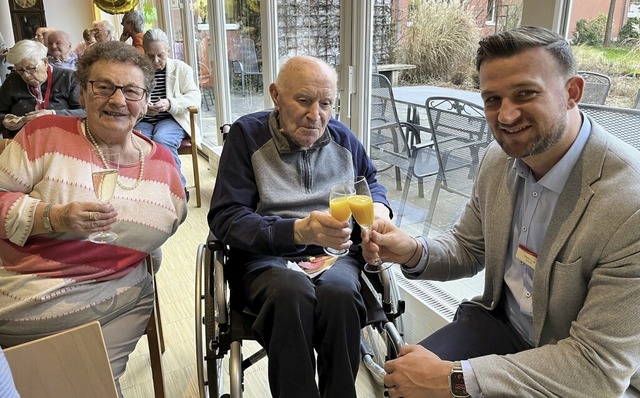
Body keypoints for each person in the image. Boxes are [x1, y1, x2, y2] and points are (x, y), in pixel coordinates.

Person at [362, 26, 640, 398]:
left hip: (568, 361)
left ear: (572, 93)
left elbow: (597, 367)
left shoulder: (629, 204)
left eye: (525, 93)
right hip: (500, 323)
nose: (506, 116)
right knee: (398, 386)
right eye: (492, 99)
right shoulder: (499, 159)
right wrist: (413, 250)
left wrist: (456, 378)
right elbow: (469, 247)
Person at [0, 40, 187, 396]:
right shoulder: (44, 135)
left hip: (109, 305)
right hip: (16, 301)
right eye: (103, 87)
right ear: (82, 94)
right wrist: (50, 217)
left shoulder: (163, 165)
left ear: (146, 101)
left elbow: (167, 224)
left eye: (132, 91)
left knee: (80, 387)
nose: (118, 100)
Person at [209, 55, 392, 398]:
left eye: (326, 104)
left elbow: (370, 182)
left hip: (335, 255)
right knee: (290, 293)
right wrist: (296, 231)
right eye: (304, 101)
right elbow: (226, 216)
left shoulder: (342, 138)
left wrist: (379, 212)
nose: (316, 115)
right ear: (276, 95)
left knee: (339, 296)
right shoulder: (246, 137)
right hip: (265, 257)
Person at [135, 28, 200, 197]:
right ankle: (148, 190)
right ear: (143, 52)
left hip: (171, 118)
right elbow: (128, 96)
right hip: (144, 119)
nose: (155, 60)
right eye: (150, 56)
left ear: (168, 50)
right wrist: (143, 106)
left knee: (162, 140)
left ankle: (177, 188)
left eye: (160, 55)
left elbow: (194, 97)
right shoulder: (136, 71)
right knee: (138, 144)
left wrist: (170, 103)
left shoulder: (182, 69)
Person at [0, 40, 85, 138]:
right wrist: (5, 120)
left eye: (31, 68)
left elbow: (85, 112)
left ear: (45, 62)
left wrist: (53, 114)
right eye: (20, 70)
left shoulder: (68, 78)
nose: (26, 76)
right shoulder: (13, 80)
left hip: (62, 140)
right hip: (23, 141)